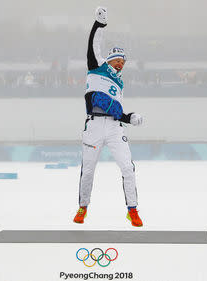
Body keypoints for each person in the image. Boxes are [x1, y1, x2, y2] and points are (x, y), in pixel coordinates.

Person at [73, 7, 144, 227]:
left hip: (114, 129)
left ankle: (132, 209)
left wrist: (127, 117)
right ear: (109, 59)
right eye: (118, 60)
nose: (121, 63)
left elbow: (114, 109)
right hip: (94, 126)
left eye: (124, 61)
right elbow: (93, 45)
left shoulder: (120, 83)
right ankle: (83, 207)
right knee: (88, 171)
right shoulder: (97, 66)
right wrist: (99, 24)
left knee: (128, 168)